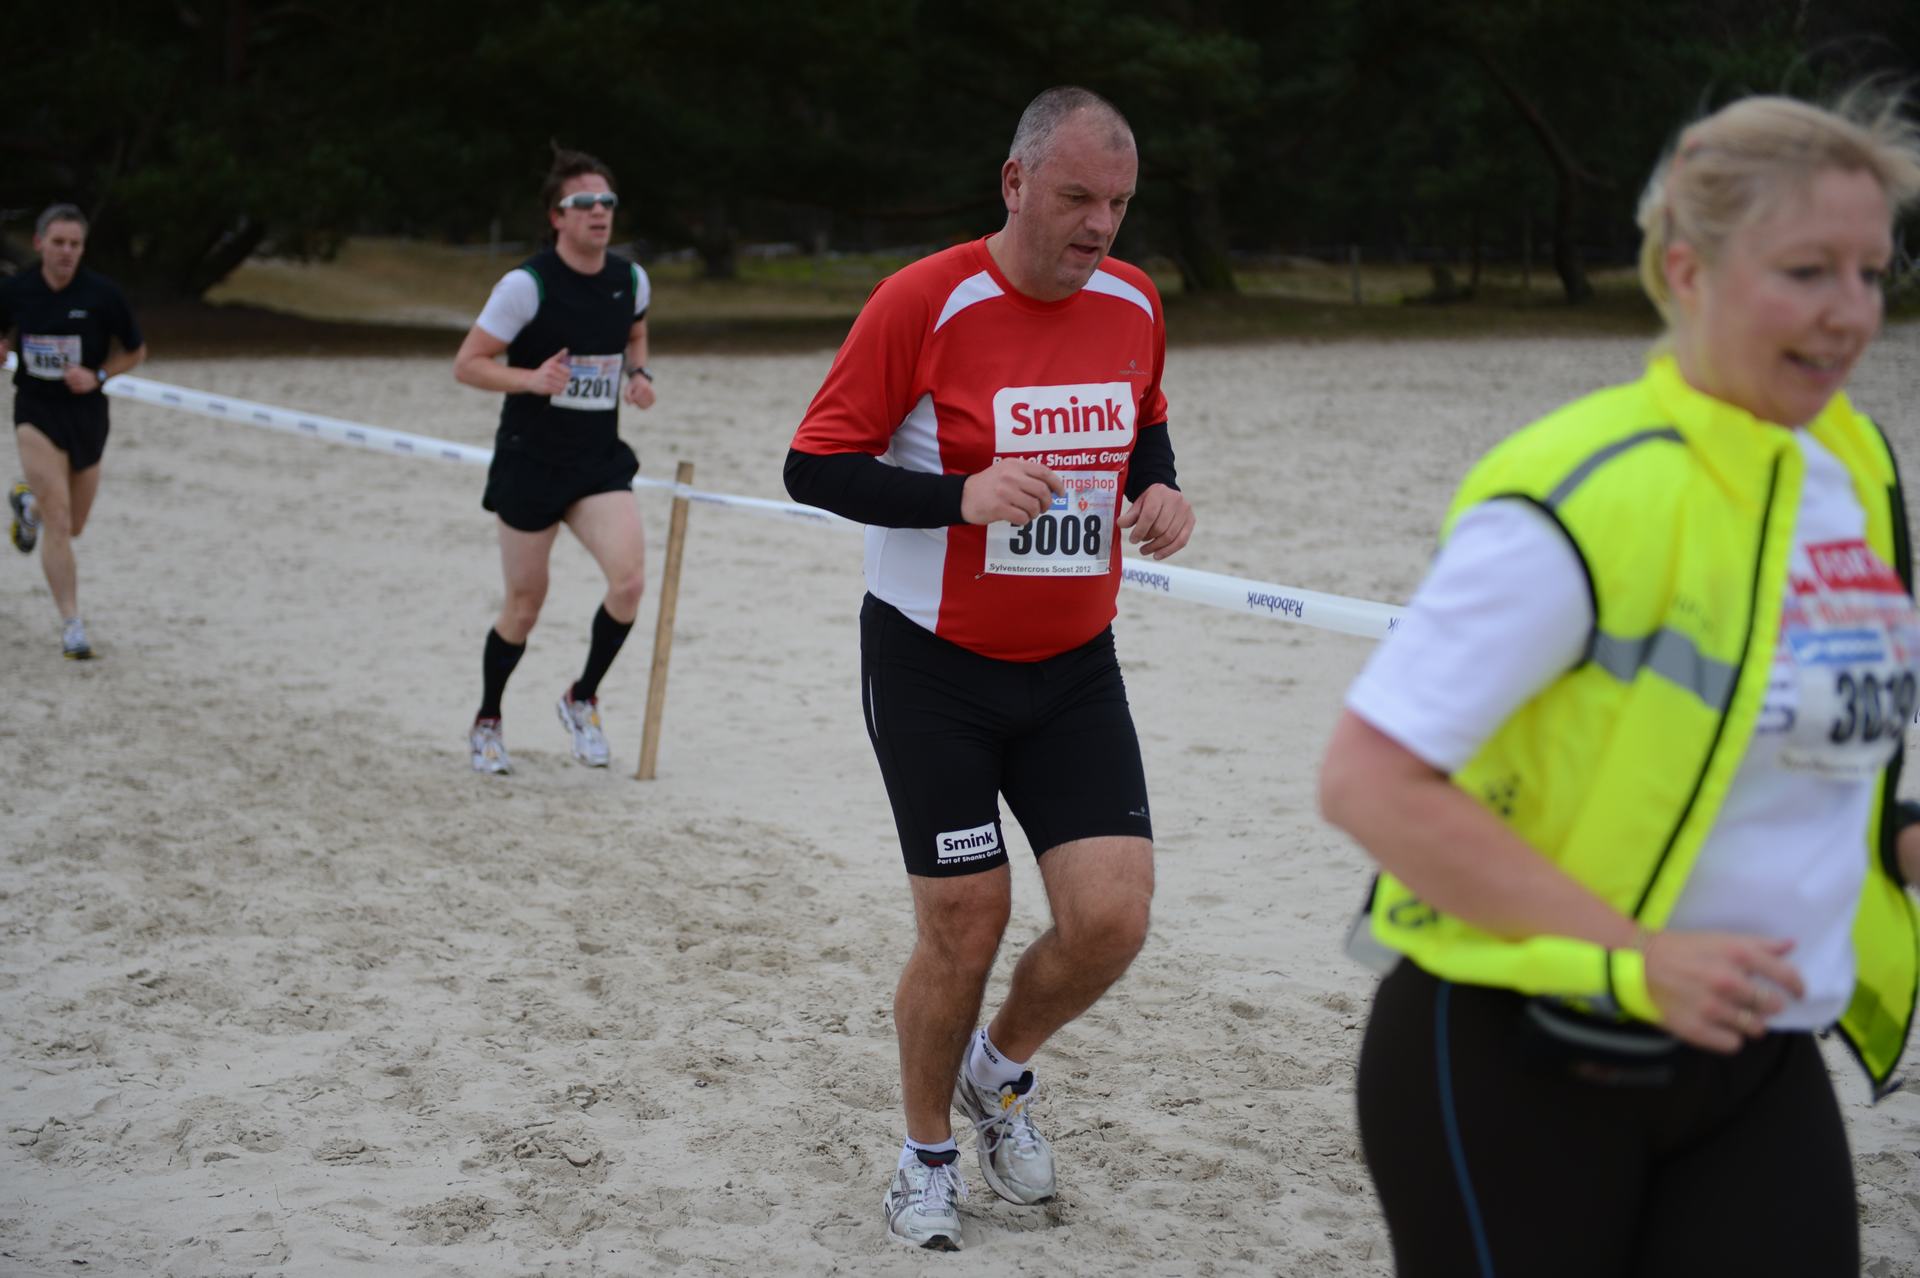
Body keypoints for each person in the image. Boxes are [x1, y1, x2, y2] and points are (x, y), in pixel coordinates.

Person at [1319, 90, 1920, 1277]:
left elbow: (1792, 737)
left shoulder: (1852, 470)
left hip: (1756, 1048)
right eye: (1807, 271)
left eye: (1873, 271)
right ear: (1687, 272)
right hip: (1519, 1051)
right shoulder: (1588, 487)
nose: (1851, 312)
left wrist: (1897, 834)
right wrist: (1634, 956)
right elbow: (1366, 783)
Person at [785, 86, 1196, 1251]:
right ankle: (924, 1157)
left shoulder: (1134, 300)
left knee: (1112, 920)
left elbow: (1144, 418)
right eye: (1078, 197)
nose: (1100, 225)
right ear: (1015, 184)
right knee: (968, 918)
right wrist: (958, 498)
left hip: (1074, 667)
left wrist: (1158, 487)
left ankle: (995, 1067)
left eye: (1119, 203)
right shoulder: (926, 300)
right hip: (934, 667)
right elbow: (813, 465)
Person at [453, 147, 655, 774]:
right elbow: (468, 364)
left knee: (629, 583)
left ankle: (581, 698)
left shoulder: (631, 280)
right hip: (531, 462)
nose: (599, 211)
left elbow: (635, 330)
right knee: (525, 605)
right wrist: (530, 380)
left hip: (596, 462)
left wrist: (639, 373)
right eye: (583, 202)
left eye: (607, 201)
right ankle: (488, 719)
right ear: (557, 217)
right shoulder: (525, 285)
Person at [1, 203, 148, 659]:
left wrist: (99, 375)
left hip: (87, 416)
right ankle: (72, 625)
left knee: (75, 523)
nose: (67, 251)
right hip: (36, 411)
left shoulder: (102, 294)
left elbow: (136, 351)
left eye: (75, 244)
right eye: (59, 242)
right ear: (40, 243)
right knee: (60, 520)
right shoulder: (17, 289)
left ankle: (27, 506)